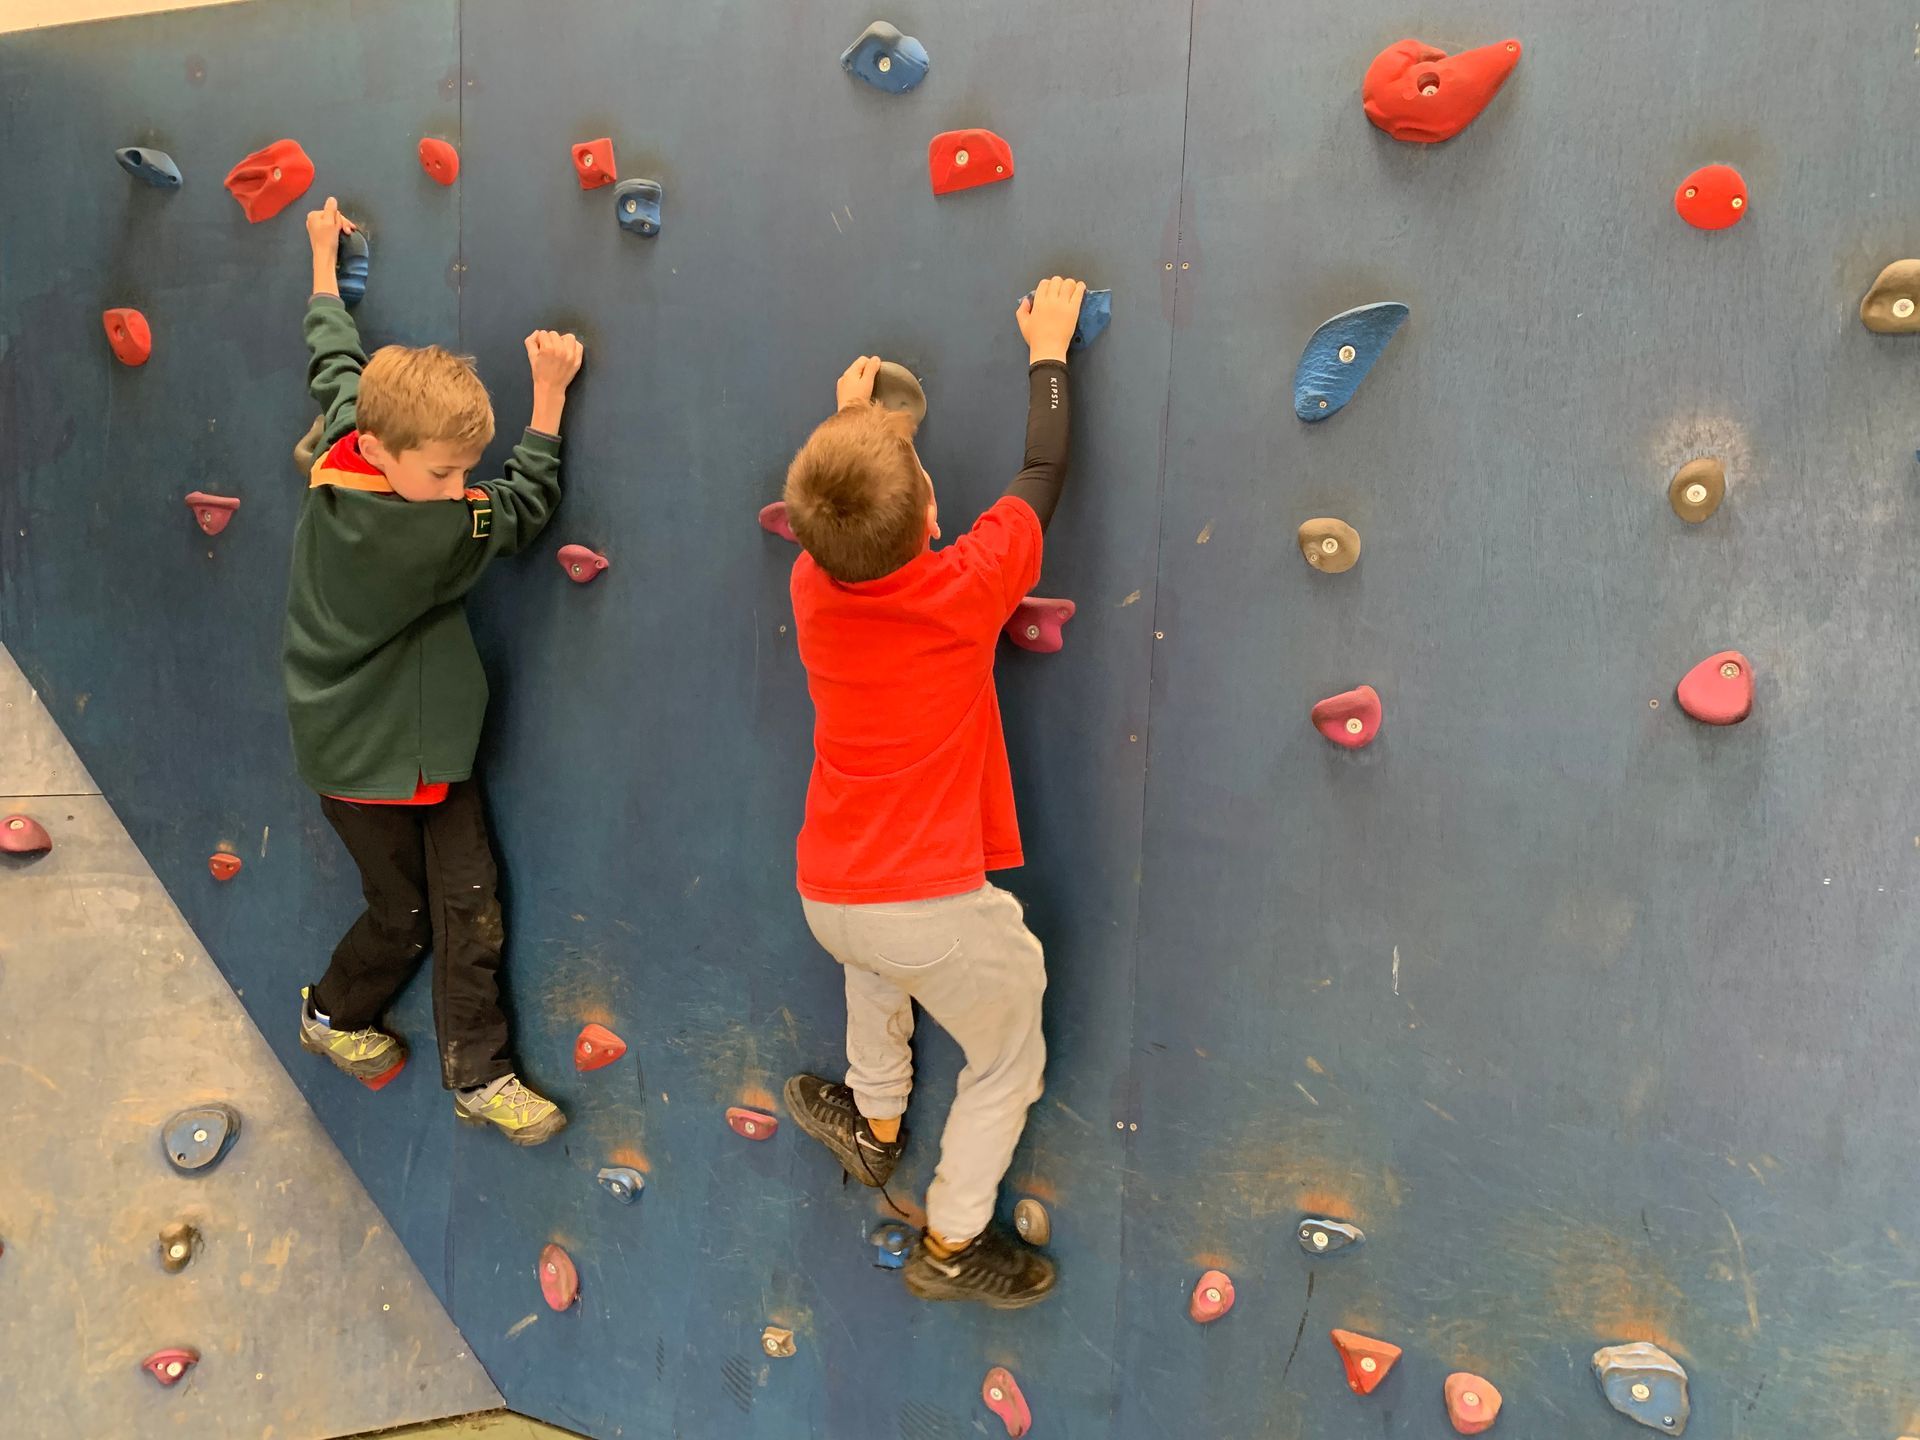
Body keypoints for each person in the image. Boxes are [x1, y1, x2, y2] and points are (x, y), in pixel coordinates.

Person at [780, 275, 1086, 1307]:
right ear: (933, 514)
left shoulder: (813, 587)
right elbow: (1043, 467)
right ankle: (953, 1243)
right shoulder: (966, 588)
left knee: (875, 971)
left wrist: (851, 425)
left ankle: (873, 1128)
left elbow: (842, 511)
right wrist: (1050, 349)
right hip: (937, 906)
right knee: (1008, 1057)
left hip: (832, 889)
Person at [284, 196, 584, 1146]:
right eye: (446, 472)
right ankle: (332, 1014)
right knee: (406, 914)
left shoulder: (352, 437)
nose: (460, 489)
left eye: (467, 470)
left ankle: (479, 1075)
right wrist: (549, 396)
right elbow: (524, 507)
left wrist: (327, 267)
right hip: (367, 763)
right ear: (380, 450)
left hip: (419, 744)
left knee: (471, 907)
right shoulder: (421, 535)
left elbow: (334, 361)